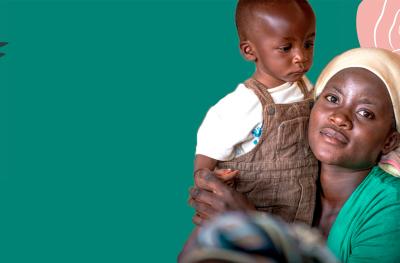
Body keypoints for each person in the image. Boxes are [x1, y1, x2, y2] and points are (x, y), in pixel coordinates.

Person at [187, 48, 400, 262]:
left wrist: (254, 226)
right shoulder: (277, 173)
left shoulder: (392, 207)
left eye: (365, 113)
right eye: (333, 98)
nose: (339, 117)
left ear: (390, 140)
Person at [195, 0, 317, 225]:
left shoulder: (306, 88)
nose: (301, 56)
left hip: (305, 213)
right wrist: (208, 177)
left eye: (308, 43)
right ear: (249, 50)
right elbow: (208, 151)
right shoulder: (241, 104)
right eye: (286, 48)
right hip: (256, 215)